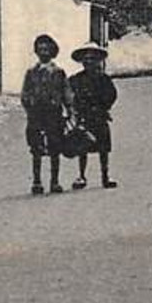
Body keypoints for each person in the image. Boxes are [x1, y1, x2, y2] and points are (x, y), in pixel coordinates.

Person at [20, 34, 69, 195]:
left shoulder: (59, 72)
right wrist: (29, 106)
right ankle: (37, 181)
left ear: (52, 51)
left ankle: (54, 182)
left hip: (53, 114)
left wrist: (69, 111)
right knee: (36, 148)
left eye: (46, 49)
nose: (43, 52)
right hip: (36, 115)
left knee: (55, 147)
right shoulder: (31, 72)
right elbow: (25, 93)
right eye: (40, 49)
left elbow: (66, 93)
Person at [69, 43, 119, 190]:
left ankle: (105, 176)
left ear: (98, 60)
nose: (89, 62)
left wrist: (104, 107)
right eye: (86, 59)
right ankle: (82, 176)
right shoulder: (76, 79)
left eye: (92, 58)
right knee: (82, 147)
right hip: (83, 117)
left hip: (100, 116)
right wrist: (75, 109)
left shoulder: (104, 79)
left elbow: (112, 95)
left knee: (103, 147)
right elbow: (69, 95)